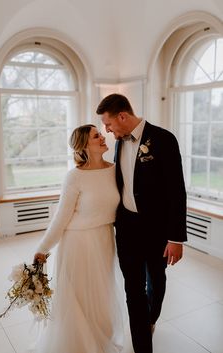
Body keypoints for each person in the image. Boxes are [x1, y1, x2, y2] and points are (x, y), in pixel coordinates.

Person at [96, 93, 187, 353]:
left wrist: (175, 238)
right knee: (133, 291)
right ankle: (142, 347)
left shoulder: (163, 139)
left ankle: (152, 318)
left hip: (157, 232)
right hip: (126, 230)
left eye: (109, 124)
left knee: (156, 280)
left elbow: (176, 191)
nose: (107, 131)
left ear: (122, 116)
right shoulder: (119, 142)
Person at [33, 124, 128, 353]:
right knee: (79, 298)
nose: (103, 136)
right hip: (78, 242)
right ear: (84, 145)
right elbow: (61, 218)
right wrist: (43, 248)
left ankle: (100, 336)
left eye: (101, 133)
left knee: (100, 292)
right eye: (97, 135)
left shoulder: (115, 170)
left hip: (104, 238)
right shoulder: (74, 177)